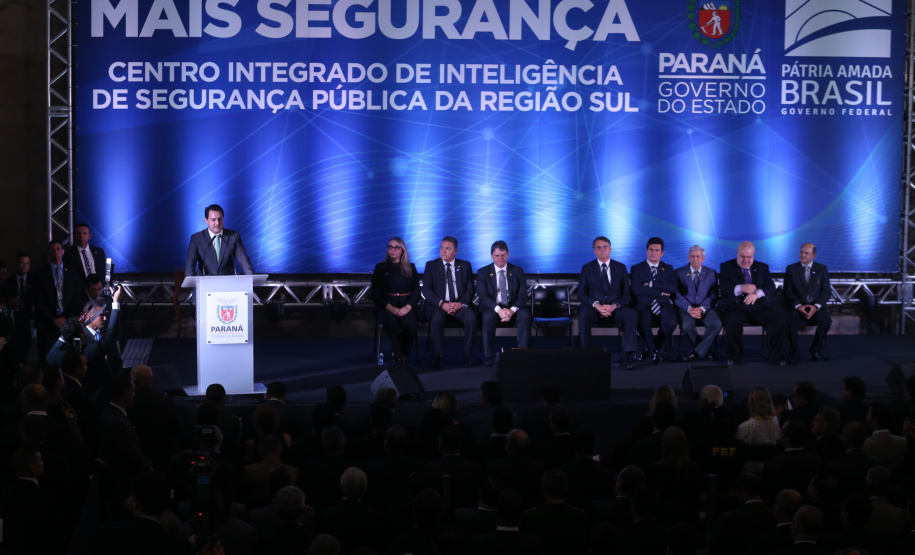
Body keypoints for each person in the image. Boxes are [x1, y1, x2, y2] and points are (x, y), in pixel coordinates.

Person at [717, 241, 790, 365]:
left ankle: (777, 357)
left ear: (753, 255)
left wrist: (757, 294)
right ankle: (734, 357)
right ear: (737, 254)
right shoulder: (726, 267)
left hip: (759, 306)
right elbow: (724, 288)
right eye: (742, 257)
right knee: (732, 321)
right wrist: (741, 288)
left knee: (780, 318)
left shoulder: (762, 267)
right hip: (737, 306)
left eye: (749, 257)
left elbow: (770, 287)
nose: (746, 260)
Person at [577, 236, 638, 368]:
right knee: (583, 315)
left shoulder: (621, 267)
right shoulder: (587, 268)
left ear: (610, 249)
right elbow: (581, 294)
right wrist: (597, 305)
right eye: (598, 248)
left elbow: (627, 294)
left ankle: (626, 356)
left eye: (605, 247)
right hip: (594, 309)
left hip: (616, 309)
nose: (602, 250)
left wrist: (614, 306)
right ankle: (586, 355)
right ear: (594, 251)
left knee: (631, 314)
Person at [421, 236, 476, 368]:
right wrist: (442, 304)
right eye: (441, 247)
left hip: (459, 304)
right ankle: (437, 356)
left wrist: (459, 304)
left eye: (447, 248)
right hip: (439, 305)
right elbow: (426, 290)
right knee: (437, 319)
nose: (443, 251)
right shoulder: (431, 265)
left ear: (455, 251)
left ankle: (467, 355)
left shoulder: (465, 265)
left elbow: (470, 289)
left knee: (471, 317)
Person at [476, 240, 531, 367]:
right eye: (497, 255)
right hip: (493, 308)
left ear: (508, 254)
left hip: (513, 308)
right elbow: (483, 296)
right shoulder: (483, 272)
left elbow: (523, 296)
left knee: (525, 315)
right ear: (491, 256)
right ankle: (488, 356)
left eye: (503, 255)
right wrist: (499, 310)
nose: (500, 258)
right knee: (487, 316)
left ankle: (523, 354)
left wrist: (511, 310)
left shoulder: (517, 271)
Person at [371, 237, 419, 364]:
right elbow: (375, 293)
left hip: (406, 305)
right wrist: (391, 308)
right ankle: (399, 354)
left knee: (409, 324)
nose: (392, 250)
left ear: (402, 250)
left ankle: (404, 351)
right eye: (390, 247)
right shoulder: (380, 268)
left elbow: (416, 291)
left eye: (396, 247)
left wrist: (408, 307)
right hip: (387, 306)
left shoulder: (411, 267)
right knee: (392, 322)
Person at [33, 240, 82, 364]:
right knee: (46, 360)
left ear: (63, 251)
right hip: (47, 323)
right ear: (48, 253)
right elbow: (38, 300)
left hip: (69, 322)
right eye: (52, 249)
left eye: (58, 249)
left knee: (71, 359)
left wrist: (65, 317)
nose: (56, 252)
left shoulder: (72, 272)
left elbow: (77, 298)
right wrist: (53, 319)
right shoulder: (39, 273)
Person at [630, 237, 677, 364]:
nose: (654, 253)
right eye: (651, 250)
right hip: (644, 304)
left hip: (663, 304)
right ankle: (654, 352)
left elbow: (672, 288)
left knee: (671, 323)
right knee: (642, 322)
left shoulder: (668, 268)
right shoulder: (637, 268)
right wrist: (661, 291)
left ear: (662, 253)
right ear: (646, 251)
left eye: (657, 250)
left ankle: (651, 349)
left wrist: (650, 283)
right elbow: (637, 290)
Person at [784, 243, 832, 361]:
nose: (803, 255)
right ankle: (793, 350)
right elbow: (788, 291)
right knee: (789, 319)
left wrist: (816, 306)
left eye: (806, 253)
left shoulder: (822, 269)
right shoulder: (791, 269)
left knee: (826, 321)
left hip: (815, 306)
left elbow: (826, 291)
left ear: (813, 255)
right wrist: (798, 306)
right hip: (797, 306)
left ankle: (816, 348)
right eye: (801, 252)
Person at [674, 245, 723, 362]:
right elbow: (675, 294)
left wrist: (702, 308)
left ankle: (696, 352)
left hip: (705, 307)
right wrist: (689, 308)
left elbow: (713, 295)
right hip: (686, 308)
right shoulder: (678, 272)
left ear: (703, 258)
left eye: (698, 256)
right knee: (686, 326)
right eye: (693, 256)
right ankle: (705, 350)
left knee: (716, 324)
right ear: (688, 257)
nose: (695, 259)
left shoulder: (711, 273)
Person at [185, 203, 254, 276]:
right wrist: (190, 282)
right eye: (213, 220)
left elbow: (243, 259)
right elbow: (191, 263)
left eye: (220, 219)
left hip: (227, 284)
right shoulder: (196, 238)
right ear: (206, 220)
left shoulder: (233, 236)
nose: (217, 223)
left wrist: (251, 278)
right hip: (204, 284)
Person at [64, 222, 107, 286]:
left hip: (97, 290)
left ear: (89, 236)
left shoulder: (99, 252)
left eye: (84, 233)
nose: (82, 236)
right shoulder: (68, 253)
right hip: (78, 290)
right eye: (79, 234)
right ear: (74, 236)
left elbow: (103, 272)